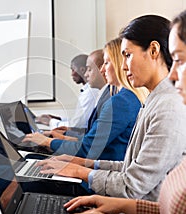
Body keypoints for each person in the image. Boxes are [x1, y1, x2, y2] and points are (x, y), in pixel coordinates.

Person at [33, 14, 186, 201]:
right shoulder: (155, 99)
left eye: (128, 56)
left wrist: (80, 171)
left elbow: (132, 185)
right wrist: (84, 163)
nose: (122, 67)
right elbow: (130, 167)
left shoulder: (168, 107)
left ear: (153, 50)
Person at [24, 38, 148, 162]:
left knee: (29, 163)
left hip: (100, 170)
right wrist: (63, 138)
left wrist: (47, 141)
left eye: (106, 63)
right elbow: (93, 140)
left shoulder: (120, 102)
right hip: (99, 165)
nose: (102, 70)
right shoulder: (126, 97)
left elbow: (88, 148)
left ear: (118, 64)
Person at [36, 54, 99, 129]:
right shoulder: (87, 90)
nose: (72, 74)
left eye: (73, 70)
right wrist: (59, 119)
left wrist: (51, 122)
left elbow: (76, 125)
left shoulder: (90, 92)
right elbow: (78, 121)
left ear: (82, 70)